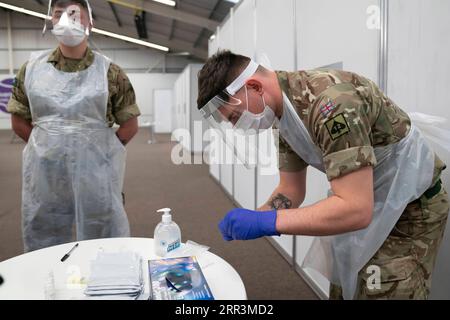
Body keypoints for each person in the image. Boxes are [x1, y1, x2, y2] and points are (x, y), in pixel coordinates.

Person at [196, 50, 449, 299]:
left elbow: (355, 210)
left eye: (236, 117)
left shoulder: (333, 105)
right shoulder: (284, 117)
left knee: (384, 286)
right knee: (345, 284)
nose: (237, 125)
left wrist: (268, 223)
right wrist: (256, 216)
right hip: (371, 199)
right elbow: (290, 190)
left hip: (410, 211)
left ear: (255, 86)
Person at [7, 0, 140, 252]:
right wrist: (45, 150)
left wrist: (103, 154)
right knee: (45, 232)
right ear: (51, 21)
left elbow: (130, 125)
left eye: (75, 15)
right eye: (59, 14)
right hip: (46, 173)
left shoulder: (110, 72)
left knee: (103, 231)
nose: (67, 22)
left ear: (90, 22)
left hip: (96, 174)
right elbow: (19, 120)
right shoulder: (32, 70)